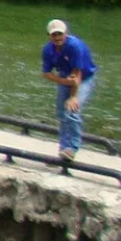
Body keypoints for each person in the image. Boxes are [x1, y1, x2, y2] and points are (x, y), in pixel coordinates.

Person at [42, 18, 98, 160]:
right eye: (54, 35)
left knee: (72, 111)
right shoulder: (48, 50)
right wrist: (63, 81)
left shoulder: (74, 46)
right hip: (65, 76)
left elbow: (77, 74)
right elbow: (46, 73)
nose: (57, 38)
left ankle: (71, 148)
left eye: (60, 34)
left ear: (66, 33)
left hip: (83, 78)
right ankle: (63, 150)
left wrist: (73, 97)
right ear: (49, 36)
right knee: (62, 114)